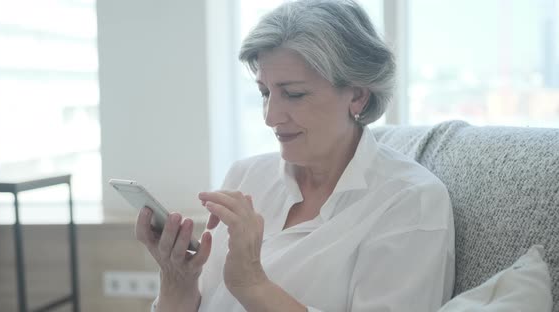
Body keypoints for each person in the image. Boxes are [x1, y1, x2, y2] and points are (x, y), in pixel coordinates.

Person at [136, 0, 455, 311]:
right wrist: (177, 280)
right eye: (265, 93)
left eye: (294, 94)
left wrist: (253, 284)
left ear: (357, 95)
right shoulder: (245, 176)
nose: (270, 116)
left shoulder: (412, 202)